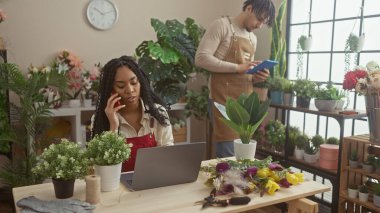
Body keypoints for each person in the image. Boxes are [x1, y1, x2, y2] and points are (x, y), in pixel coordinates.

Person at [195, 0, 275, 158]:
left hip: (245, 104)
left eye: (263, 22)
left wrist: (256, 76)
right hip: (223, 101)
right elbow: (201, 58)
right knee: (229, 156)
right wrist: (238, 68)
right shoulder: (222, 26)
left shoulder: (253, 38)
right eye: (259, 19)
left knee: (244, 157)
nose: (260, 25)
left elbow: (245, 72)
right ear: (249, 8)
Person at [91, 55, 174, 172]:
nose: (130, 90)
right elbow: (103, 167)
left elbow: (168, 154)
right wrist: (113, 126)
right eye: (121, 86)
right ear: (111, 89)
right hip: (118, 186)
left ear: (141, 82)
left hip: (154, 181)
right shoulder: (100, 119)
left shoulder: (157, 113)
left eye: (134, 82)